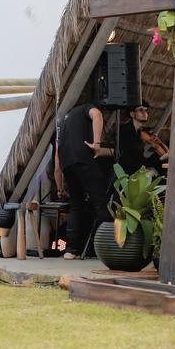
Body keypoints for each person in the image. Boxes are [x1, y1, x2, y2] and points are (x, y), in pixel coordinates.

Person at [57, 91, 111, 258]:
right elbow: (97, 114)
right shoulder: (85, 109)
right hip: (83, 161)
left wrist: (60, 189)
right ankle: (106, 248)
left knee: (76, 205)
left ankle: (70, 250)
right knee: (100, 203)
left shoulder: (62, 124)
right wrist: (96, 143)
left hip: (67, 165)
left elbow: (56, 166)